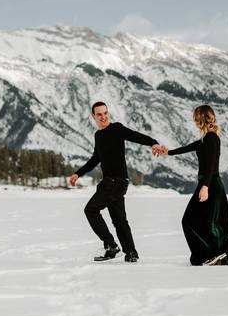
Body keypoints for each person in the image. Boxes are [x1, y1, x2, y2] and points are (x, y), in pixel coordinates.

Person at [69, 101, 163, 262]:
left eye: (105, 113)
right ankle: (131, 253)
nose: (103, 117)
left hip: (115, 182)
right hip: (114, 183)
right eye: (99, 114)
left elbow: (135, 135)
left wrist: (153, 142)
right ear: (93, 116)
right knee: (119, 220)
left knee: (90, 210)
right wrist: (78, 174)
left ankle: (111, 246)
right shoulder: (98, 136)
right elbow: (95, 159)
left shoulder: (117, 129)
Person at [156, 105, 228, 266]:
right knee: (196, 221)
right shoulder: (206, 138)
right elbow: (188, 148)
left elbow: (210, 166)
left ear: (200, 118)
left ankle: (217, 253)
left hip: (210, 185)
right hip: (208, 184)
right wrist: (168, 152)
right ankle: (209, 254)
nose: (194, 121)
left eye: (196, 117)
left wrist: (205, 187)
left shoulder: (211, 138)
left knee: (194, 221)